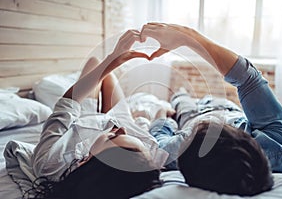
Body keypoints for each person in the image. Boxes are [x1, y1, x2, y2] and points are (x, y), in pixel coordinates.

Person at [140, 23, 282, 196]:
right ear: (248, 142)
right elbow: (248, 79)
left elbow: (158, 143)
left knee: (180, 98)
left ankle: (181, 97)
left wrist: (162, 113)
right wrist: (189, 37)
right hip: (224, 107)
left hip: (191, 116)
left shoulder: (183, 151)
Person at [4, 30, 163, 199]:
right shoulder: (140, 168)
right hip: (122, 119)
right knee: (103, 71)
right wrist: (156, 116)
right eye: (141, 147)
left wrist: (112, 58)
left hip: (87, 118)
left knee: (95, 62)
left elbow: (68, 104)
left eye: (111, 137)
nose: (120, 129)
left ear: (86, 160)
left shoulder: (50, 164)